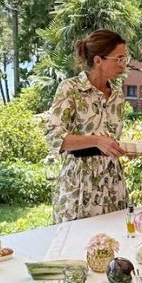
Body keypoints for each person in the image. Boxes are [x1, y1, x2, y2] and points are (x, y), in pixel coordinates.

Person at [46, 29, 129, 223]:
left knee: (115, 237)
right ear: (98, 60)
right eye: (118, 59)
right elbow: (54, 138)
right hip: (80, 183)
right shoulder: (70, 89)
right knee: (77, 239)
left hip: (113, 182)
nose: (123, 64)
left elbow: (111, 137)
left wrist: (119, 148)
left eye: (125, 58)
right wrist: (97, 141)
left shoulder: (117, 94)